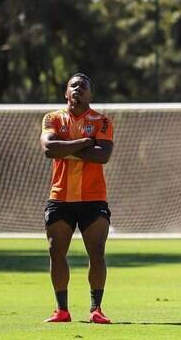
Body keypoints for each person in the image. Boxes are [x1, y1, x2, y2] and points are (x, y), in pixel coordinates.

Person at [40, 73, 114, 324]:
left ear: (90, 95)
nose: (78, 89)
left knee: (97, 253)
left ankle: (96, 309)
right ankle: (62, 310)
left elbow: (102, 155)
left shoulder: (102, 122)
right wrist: (84, 142)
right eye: (73, 86)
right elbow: (49, 149)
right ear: (66, 92)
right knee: (55, 252)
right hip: (60, 197)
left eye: (83, 87)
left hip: (93, 198)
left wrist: (66, 147)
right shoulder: (52, 118)